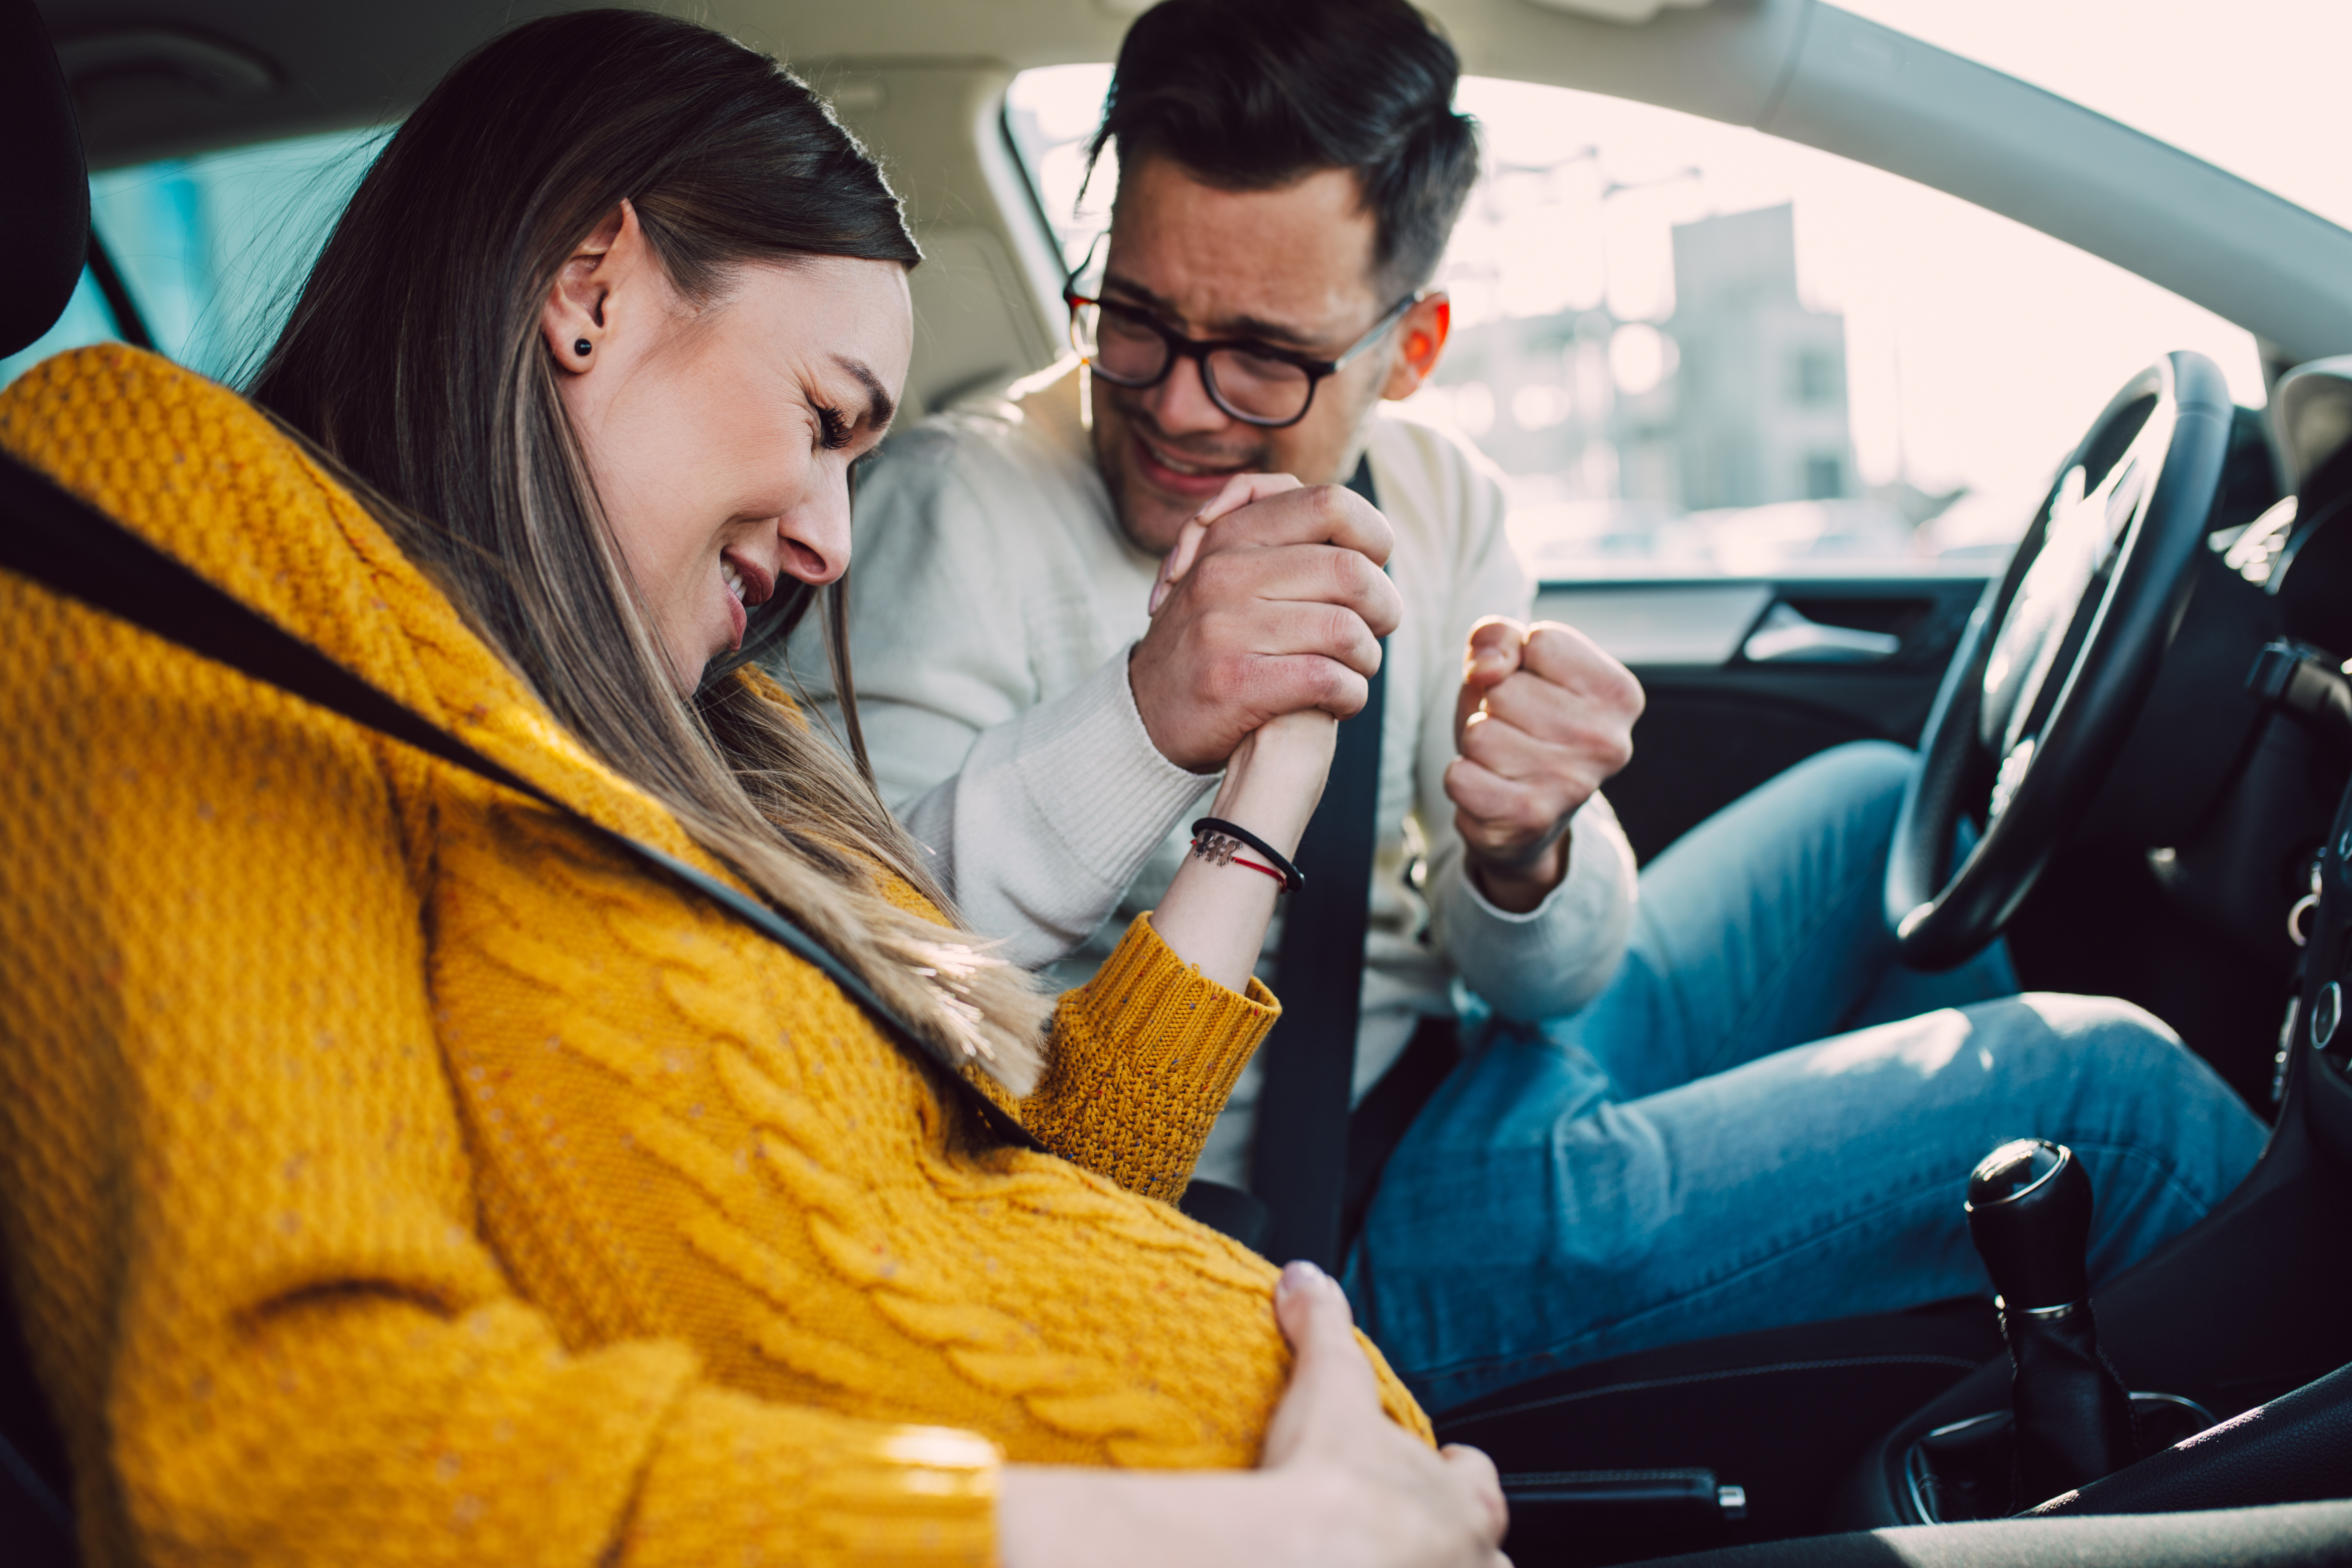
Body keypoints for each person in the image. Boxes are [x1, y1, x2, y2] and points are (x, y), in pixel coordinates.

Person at [0, 12, 1512, 1565]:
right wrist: (1225, 1538)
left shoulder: (715, 737)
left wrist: (1275, 778)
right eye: (823, 421)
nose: (834, 540)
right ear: (588, 290)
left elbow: (1005, 1203)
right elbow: (290, 1452)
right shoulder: (174, 518)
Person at [804, 0, 2268, 1411]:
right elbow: (862, 979)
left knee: (1873, 809)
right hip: (1329, 1220)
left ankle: (2014, 1364)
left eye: (1265, 355)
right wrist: (1147, 712)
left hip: (1487, 1060)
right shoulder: (947, 514)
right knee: (2106, 1098)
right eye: (1134, 317)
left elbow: (1547, 975)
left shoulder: (1440, 499)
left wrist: (1528, 858)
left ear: (1412, 346)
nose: (1181, 402)